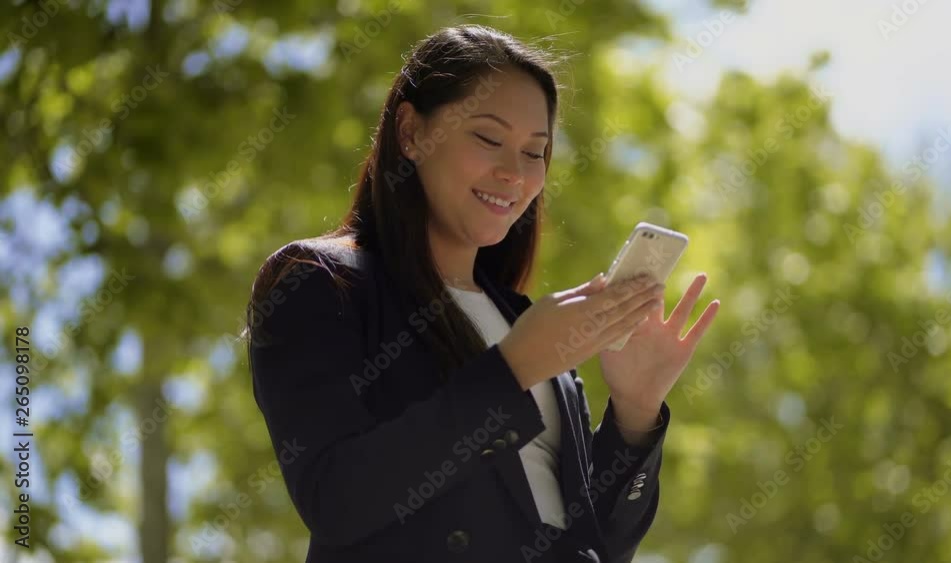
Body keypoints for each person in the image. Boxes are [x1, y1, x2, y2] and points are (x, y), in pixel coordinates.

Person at [244, 24, 720, 563]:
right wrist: (513, 368)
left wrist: (636, 410)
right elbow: (335, 498)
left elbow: (598, 545)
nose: (513, 173)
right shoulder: (322, 280)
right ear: (410, 132)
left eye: (535, 152)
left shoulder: (523, 323)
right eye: (488, 139)